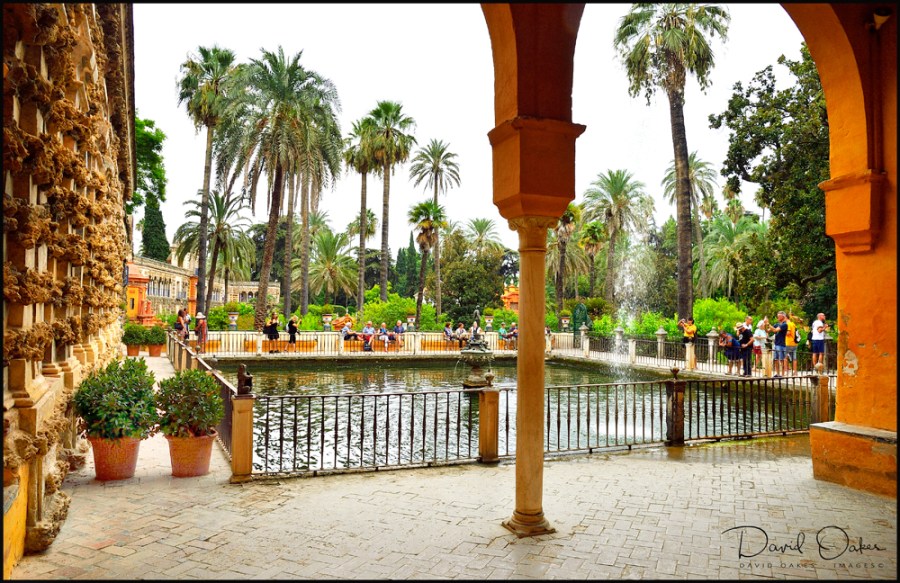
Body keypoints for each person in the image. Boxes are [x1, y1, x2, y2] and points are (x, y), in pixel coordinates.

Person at [767, 311, 789, 377]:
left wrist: (768, 324)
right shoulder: (776, 324)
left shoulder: (785, 324)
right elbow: (768, 330)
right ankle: (778, 373)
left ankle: (783, 374)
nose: (778, 317)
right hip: (776, 344)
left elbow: (775, 330)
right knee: (776, 359)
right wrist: (765, 324)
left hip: (782, 344)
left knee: (782, 359)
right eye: (777, 316)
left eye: (779, 316)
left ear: (783, 316)